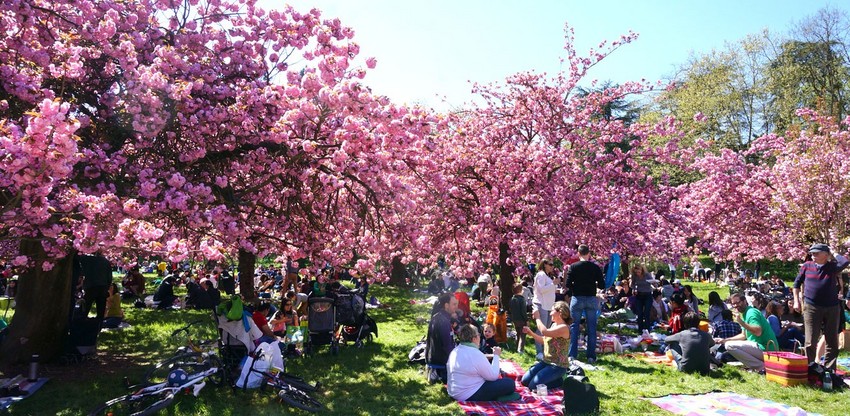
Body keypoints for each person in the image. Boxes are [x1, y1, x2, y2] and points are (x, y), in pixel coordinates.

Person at [792, 243, 849, 371]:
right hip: (811, 306)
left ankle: (829, 371)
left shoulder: (832, 267)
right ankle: (811, 369)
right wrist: (796, 301)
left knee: (832, 341)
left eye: (817, 253)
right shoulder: (807, 266)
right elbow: (796, 284)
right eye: (812, 253)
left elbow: (844, 261)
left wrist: (833, 251)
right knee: (810, 341)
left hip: (832, 307)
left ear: (826, 254)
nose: (813, 255)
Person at [447, 324, 515, 402]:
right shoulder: (475, 353)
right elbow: (493, 376)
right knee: (510, 384)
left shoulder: (455, 350)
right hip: (468, 394)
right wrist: (496, 356)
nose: (480, 337)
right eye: (478, 335)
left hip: (453, 391)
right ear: (474, 339)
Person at [715, 293, 778, 372]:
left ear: (744, 301)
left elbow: (758, 332)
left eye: (738, 302)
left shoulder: (751, 312)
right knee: (728, 344)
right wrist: (724, 340)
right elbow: (743, 335)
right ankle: (761, 366)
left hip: (766, 349)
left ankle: (762, 367)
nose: (735, 306)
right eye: (733, 304)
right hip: (760, 348)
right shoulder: (745, 314)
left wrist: (741, 322)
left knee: (729, 346)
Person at [565, 245, 605, 363]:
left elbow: (568, 284)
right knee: (591, 327)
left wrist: (574, 288)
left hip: (577, 298)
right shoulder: (595, 267)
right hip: (591, 298)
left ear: (578, 253)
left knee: (574, 327)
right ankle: (591, 356)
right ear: (589, 254)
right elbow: (602, 285)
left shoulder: (573, 267)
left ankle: (572, 355)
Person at [521, 301, 572, 389]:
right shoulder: (554, 325)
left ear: (559, 312)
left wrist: (537, 317)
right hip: (546, 362)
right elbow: (544, 341)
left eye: (552, 311)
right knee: (524, 381)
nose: (550, 313)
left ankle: (561, 381)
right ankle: (551, 379)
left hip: (557, 366)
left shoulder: (564, 328)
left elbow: (544, 332)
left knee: (533, 386)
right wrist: (531, 333)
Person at [425, 293, 458, 384]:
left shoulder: (438, 317)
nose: (456, 307)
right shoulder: (443, 321)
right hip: (440, 361)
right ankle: (436, 373)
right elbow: (447, 346)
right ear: (446, 305)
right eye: (454, 304)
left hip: (433, 357)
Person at [532, 258, 559, 357]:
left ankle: (544, 350)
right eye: (550, 264)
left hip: (548, 305)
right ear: (544, 264)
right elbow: (541, 289)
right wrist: (553, 284)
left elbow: (548, 290)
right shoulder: (541, 275)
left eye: (553, 265)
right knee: (541, 329)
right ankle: (538, 351)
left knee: (546, 329)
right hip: (541, 304)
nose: (552, 266)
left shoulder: (547, 276)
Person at [77, 253, 113, 319]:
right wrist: (106, 287)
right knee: (101, 309)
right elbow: (109, 277)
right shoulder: (105, 261)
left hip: (90, 286)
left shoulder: (85, 259)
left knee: (86, 307)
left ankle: (81, 322)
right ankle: (98, 324)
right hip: (102, 286)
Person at [631, 265, 654, 331]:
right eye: (636, 272)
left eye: (639, 272)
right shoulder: (634, 276)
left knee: (646, 312)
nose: (637, 273)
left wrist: (654, 283)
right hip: (639, 295)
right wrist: (634, 289)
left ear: (642, 271)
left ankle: (647, 328)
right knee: (639, 313)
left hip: (647, 295)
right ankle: (640, 329)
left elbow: (653, 282)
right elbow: (633, 284)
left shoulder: (647, 275)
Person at [509, 283, 527, 353]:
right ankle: (521, 349)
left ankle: (516, 346)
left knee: (518, 333)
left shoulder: (512, 299)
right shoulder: (522, 299)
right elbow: (523, 311)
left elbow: (510, 309)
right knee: (523, 334)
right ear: (521, 290)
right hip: (522, 319)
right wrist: (526, 319)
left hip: (515, 319)